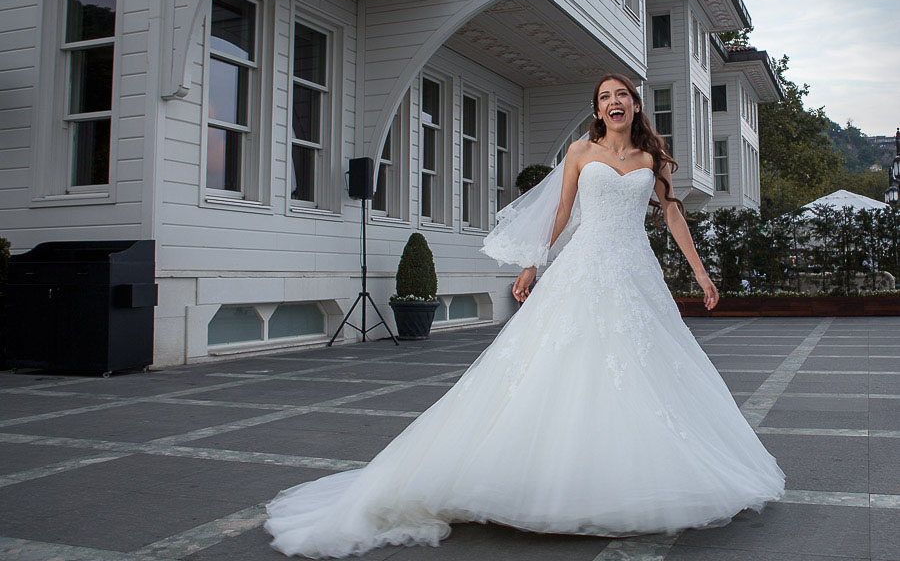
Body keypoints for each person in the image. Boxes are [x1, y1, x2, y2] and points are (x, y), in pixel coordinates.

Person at [263, 74, 786, 559]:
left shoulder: (654, 156)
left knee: (648, 366)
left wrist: (701, 274)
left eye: (621, 94)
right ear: (598, 110)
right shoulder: (581, 152)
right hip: (583, 267)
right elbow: (561, 214)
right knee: (557, 363)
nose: (614, 103)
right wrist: (534, 264)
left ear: (634, 104)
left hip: (635, 274)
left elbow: (672, 214)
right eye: (604, 97)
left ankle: (635, 474)